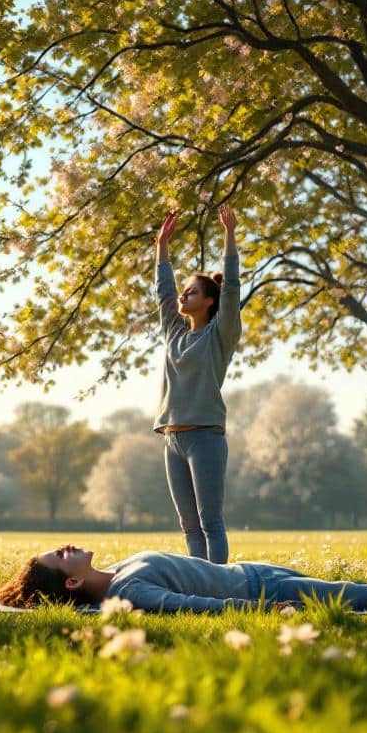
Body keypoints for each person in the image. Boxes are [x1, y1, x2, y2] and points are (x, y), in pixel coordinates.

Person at [0, 545, 367, 613]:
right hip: (260, 591)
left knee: (350, 592)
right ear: (70, 583)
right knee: (347, 598)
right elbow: (193, 606)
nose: (67, 547)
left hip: (252, 571)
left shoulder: (120, 567)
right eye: (60, 556)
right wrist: (260, 609)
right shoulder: (127, 591)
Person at [153, 205, 241, 564]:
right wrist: (161, 245)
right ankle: (197, 584)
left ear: (208, 300)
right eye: (183, 291)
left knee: (210, 523)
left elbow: (232, 288)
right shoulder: (174, 332)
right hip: (172, 437)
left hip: (205, 437)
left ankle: (218, 586)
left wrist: (230, 235)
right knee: (189, 526)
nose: (182, 295)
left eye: (190, 292)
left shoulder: (221, 334)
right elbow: (163, 292)